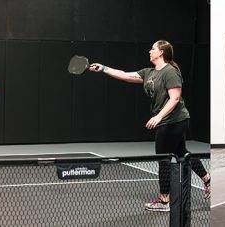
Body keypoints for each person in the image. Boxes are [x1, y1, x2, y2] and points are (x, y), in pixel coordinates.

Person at [87, 40, 209, 212]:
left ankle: (164, 200)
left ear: (161, 53)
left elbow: (174, 98)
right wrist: (104, 68)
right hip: (168, 121)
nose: (149, 51)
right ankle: (207, 178)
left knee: (163, 159)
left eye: (152, 49)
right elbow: (124, 75)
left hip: (174, 120)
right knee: (182, 152)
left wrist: (158, 117)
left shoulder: (170, 72)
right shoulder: (149, 72)